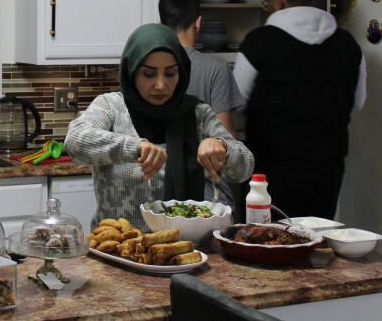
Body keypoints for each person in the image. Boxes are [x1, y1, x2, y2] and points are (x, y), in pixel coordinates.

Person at [64, 23, 254, 231]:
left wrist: (222, 147)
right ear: (132, 71)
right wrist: (135, 147)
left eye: (170, 73)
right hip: (119, 249)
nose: (161, 85)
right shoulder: (111, 107)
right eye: (149, 74)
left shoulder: (197, 113)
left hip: (183, 248)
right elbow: (75, 141)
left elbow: (244, 168)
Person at [232, 0, 367, 220]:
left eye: (267, 4)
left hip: (271, 167)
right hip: (328, 168)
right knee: (315, 242)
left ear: (278, 2)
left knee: (265, 243)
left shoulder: (259, 42)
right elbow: (357, 102)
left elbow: (237, 101)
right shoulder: (348, 44)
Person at [159, 0, 245, 209]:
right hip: (208, 194)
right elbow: (225, 135)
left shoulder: (150, 69)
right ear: (198, 23)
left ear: (160, 25)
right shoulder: (215, 68)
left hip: (161, 191)